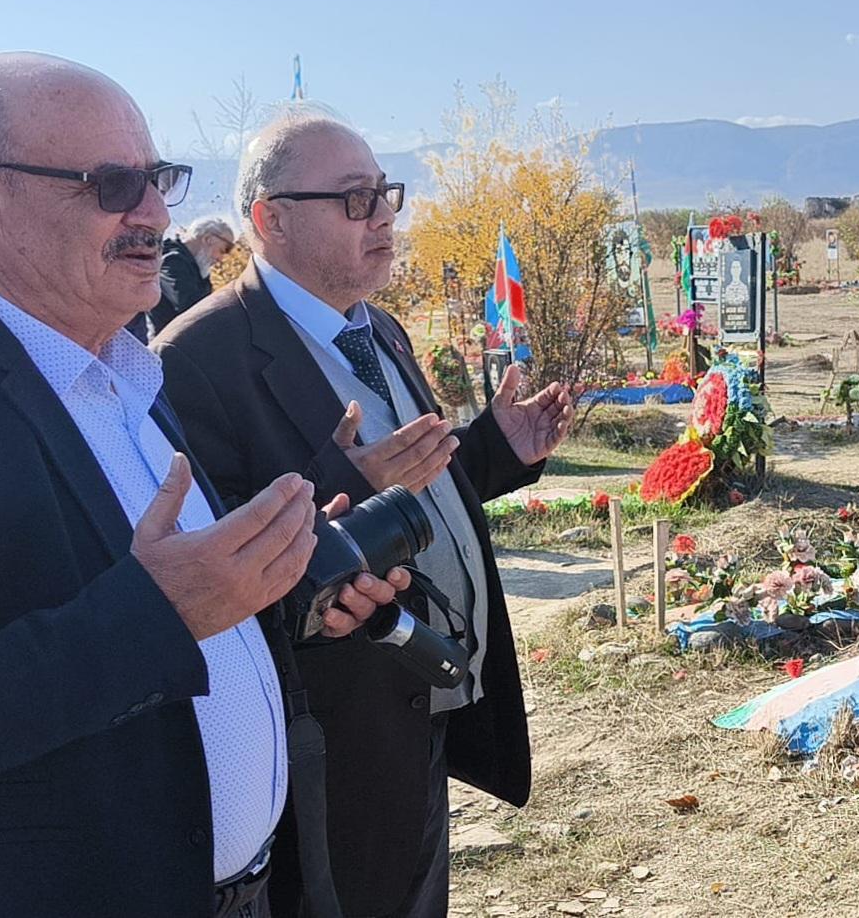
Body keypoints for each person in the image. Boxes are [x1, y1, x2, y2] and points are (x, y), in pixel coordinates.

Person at [0, 52, 404, 918]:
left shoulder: (128, 378)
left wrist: (284, 598)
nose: (155, 215)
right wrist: (158, 613)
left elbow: (175, 624)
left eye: (158, 180)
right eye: (113, 185)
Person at [153, 113, 572, 918]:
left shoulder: (376, 327)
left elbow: (413, 484)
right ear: (271, 218)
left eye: (385, 194)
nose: (383, 216)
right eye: (354, 199)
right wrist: (342, 481)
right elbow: (208, 567)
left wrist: (492, 450)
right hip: (325, 744)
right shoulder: (195, 360)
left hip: (420, 712)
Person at [152, 216, 237, 335]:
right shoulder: (172, 261)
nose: (221, 259)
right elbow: (191, 307)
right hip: (170, 341)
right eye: (224, 250)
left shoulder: (197, 267)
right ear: (208, 239)